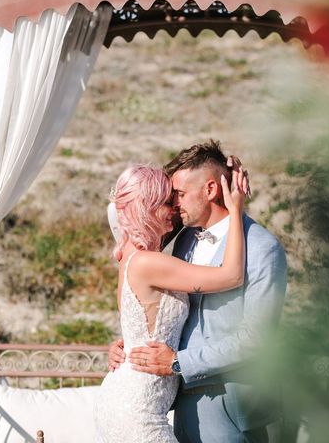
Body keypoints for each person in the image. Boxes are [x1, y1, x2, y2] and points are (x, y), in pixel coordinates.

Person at [109, 140, 288, 442]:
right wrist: (131, 344)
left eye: (179, 194)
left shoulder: (262, 248)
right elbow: (158, 305)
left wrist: (179, 363)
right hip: (181, 404)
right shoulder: (183, 241)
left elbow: (257, 338)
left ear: (210, 190)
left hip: (232, 406)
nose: (174, 204)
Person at [94, 162, 249, 443]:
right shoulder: (147, 262)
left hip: (126, 402)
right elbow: (232, 275)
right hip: (137, 413)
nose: (175, 208)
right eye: (167, 202)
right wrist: (236, 210)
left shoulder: (129, 256)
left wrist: (122, 346)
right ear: (147, 208)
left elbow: (139, 324)